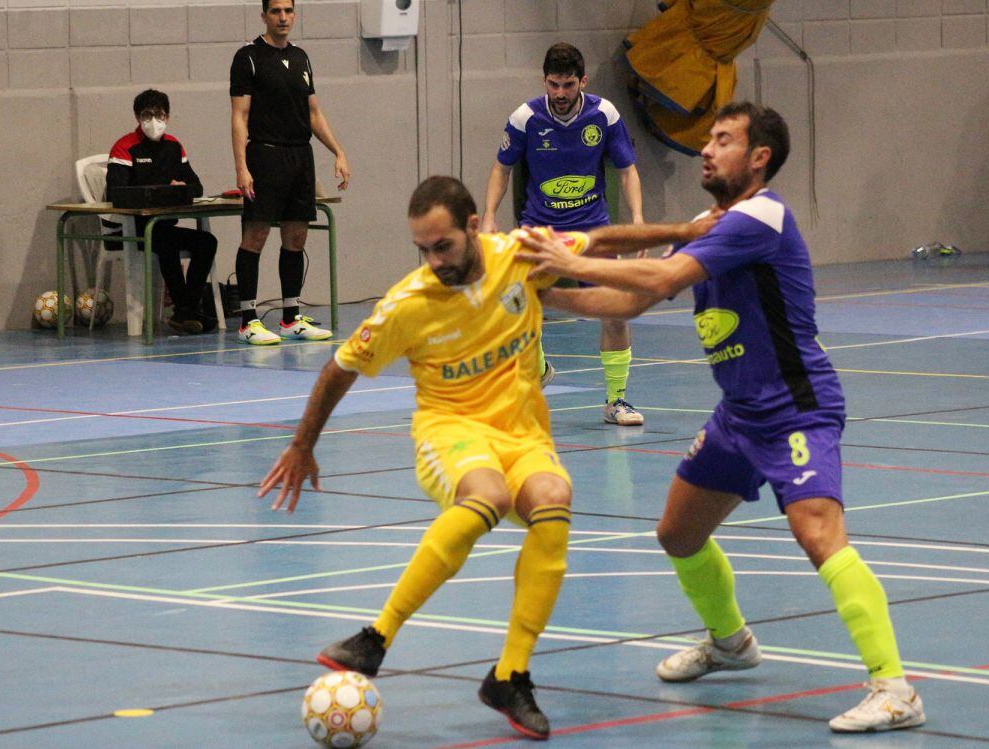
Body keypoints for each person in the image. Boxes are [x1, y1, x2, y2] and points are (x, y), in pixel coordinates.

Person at [515, 102, 927, 734]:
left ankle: (895, 688)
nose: (707, 148)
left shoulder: (762, 215)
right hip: (740, 412)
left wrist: (568, 259)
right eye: (708, 138)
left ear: (758, 158)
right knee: (678, 534)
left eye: (723, 139)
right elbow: (639, 288)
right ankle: (731, 643)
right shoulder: (719, 221)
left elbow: (660, 274)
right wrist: (549, 291)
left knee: (818, 535)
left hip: (796, 406)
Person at [258, 176, 709, 740]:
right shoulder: (407, 303)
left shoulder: (517, 255)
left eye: (441, 245)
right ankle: (374, 639)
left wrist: (686, 233)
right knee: (489, 496)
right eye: (422, 248)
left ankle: (510, 675)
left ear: (474, 227)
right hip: (450, 430)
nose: (433, 259)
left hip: (522, 433)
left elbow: (599, 239)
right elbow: (339, 368)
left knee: (554, 499)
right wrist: (303, 443)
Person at [481, 42, 647, 426]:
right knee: (515, 307)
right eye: (553, 84)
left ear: (582, 81)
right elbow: (501, 169)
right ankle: (536, 371)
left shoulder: (604, 115)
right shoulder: (525, 118)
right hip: (540, 230)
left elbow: (627, 171)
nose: (559, 93)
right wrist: (489, 215)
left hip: (592, 233)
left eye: (567, 85)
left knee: (616, 313)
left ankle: (617, 401)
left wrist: (637, 220)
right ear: (545, 82)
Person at [229, 0, 351, 345]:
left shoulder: (301, 58)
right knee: (255, 237)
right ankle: (248, 319)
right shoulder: (248, 57)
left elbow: (313, 112)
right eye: (276, 11)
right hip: (264, 155)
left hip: (301, 156)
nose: (283, 17)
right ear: (264, 15)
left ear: (294, 15)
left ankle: (290, 317)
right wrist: (242, 166)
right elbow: (239, 116)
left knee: (296, 236)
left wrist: (338, 151)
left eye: (288, 11)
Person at [106, 89, 218, 335]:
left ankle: (185, 310)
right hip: (131, 229)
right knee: (166, 243)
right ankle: (187, 311)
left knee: (207, 242)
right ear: (138, 117)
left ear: (167, 117)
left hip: (163, 225)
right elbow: (116, 193)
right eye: (147, 115)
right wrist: (162, 192)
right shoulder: (124, 147)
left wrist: (183, 188)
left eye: (159, 115)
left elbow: (196, 187)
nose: (153, 121)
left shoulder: (175, 146)